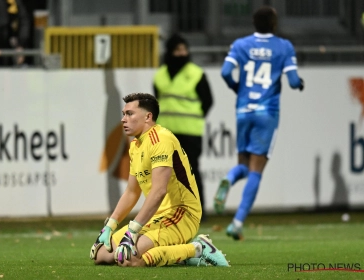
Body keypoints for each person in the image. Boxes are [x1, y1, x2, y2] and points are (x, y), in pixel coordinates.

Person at [90, 92, 228, 267]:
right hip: (157, 216)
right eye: (124, 114)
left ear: (148, 116)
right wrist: (110, 225)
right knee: (102, 255)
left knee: (130, 260)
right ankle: (180, 252)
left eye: (130, 114)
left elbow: (159, 191)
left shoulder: (160, 139)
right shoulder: (136, 145)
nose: (123, 119)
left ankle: (196, 249)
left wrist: (133, 230)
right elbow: (132, 192)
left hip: (182, 213)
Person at [214, 6, 304, 240]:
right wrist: (300, 83)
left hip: (244, 110)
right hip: (267, 112)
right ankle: (237, 222)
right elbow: (293, 81)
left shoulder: (241, 44)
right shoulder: (283, 46)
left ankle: (230, 178)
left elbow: (225, 72)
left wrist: (238, 89)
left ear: (254, 24)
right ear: (274, 24)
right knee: (256, 170)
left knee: (243, 164)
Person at [153, 34, 213, 221]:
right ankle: (172, 212)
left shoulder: (196, 73)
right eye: (178, 50)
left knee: (191, 172)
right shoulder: (160, 75)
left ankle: (197, 212)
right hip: (167, 133)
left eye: (184, 50)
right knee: (167, 174)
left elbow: (208, 101)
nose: (182, 53)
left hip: (190, 132)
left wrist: (193, 118)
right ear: (170, 52)